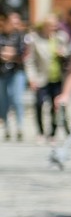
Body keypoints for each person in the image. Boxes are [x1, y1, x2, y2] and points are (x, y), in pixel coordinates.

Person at [0, 9, 28, 140]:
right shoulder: (1, 36)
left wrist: (10, 54)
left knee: (16, 98)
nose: (15, 23)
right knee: (3, 100)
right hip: (2, 72)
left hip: (17, 71)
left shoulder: (21, 36)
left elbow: (22, 54)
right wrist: (7, 53)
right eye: (12, 21)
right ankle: (6, 126)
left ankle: (20, 127)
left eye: (17, 21)